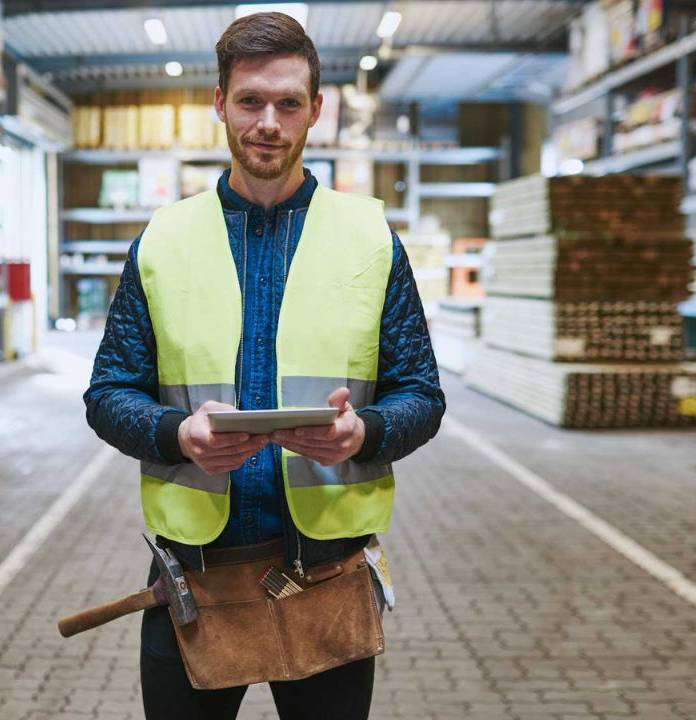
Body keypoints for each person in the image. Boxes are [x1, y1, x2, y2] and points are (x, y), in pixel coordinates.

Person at [84, 11, 444, 720]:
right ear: (219, 104)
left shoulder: (370, 238)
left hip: (325, 570)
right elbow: (108, 392)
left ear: (316, 109)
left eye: (287, 103)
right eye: (250, 101)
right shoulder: (163, 240)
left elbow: (421, 393)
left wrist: (364, 432)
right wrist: (174, 434)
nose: (268, 123)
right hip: (194, 576)